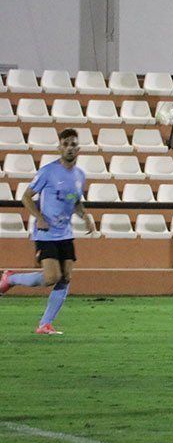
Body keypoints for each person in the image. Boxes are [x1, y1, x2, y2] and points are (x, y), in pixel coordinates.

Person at [0, 129, 97, 334]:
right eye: (66, 144)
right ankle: (10, 279)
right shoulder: (48, 172)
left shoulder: (80, 175)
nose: (70, 148)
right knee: (52, 277)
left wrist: (85, 217)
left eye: (73, 144)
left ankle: (45, 324)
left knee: (66, 277)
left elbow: (75, 201)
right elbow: (26, 197)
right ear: (59, 148)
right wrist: (40, 218)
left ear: (78, 149)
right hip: (46, 233)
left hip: (66, 233)